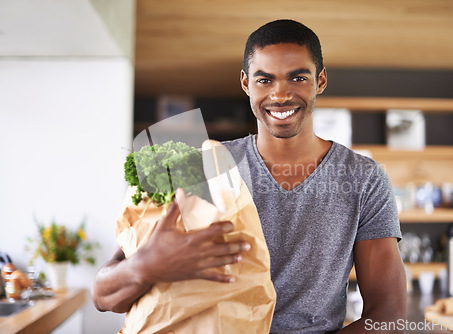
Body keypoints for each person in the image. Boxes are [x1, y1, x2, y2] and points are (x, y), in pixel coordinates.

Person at [93, 19, 406, 333]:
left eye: (297, 77)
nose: (280, 94)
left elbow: (389, 314)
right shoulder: (200, 167)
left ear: (320, 80)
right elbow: (104, 297)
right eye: (265, 80)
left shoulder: (364, 179)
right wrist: (146, 266)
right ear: (246, 83)